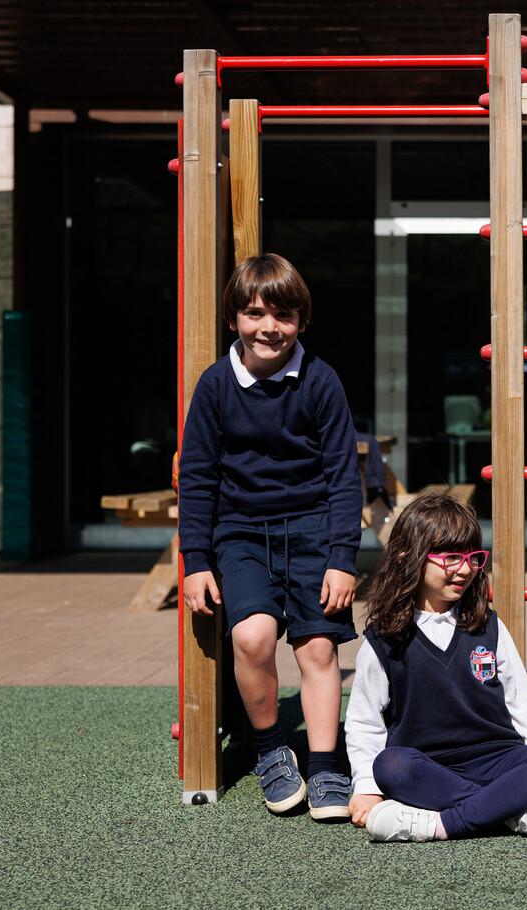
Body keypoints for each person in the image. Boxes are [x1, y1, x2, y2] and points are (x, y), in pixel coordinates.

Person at [179, 253, 361, 820]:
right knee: (253, 637)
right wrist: (195, 560)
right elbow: (198, 476)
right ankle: (269, 749)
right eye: (255, 313)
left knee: (317, 646)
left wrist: (341, 559)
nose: (268, 327)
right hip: (241, 533)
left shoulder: (320, 381)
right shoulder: (215, 386)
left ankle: (327, 763)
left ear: (301, 321)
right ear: (234, 318)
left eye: (283, 315)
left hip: (311, 529)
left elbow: (343, 476)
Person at [346, 494, 527, 843]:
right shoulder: (384, 638)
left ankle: (442, 825)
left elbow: (521, 702)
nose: (466, 569)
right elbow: (365, 721)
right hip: (429, 769)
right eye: (451, 557)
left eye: (472, 558)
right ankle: (511, 810)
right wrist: (365, 786)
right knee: (389, 766)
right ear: (407, 557)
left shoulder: (488, 626)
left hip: (500, 759)